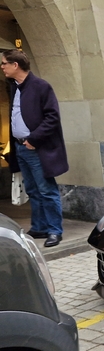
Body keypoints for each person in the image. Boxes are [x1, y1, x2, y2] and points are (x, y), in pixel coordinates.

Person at [2, 49, 68, 247]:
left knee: (46, 190)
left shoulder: (41, 86)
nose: (2, 66)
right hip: (20, 148)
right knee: (32, 190)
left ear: (15, 65)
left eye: (4, 63)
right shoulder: (14, 86)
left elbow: (52, 117)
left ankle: (55, 230)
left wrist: (34, 139)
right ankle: (39, 227)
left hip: (36, 148)